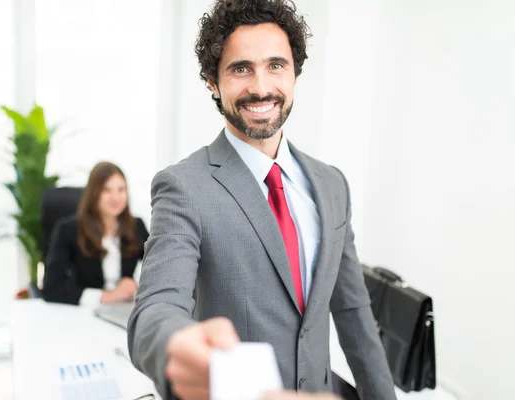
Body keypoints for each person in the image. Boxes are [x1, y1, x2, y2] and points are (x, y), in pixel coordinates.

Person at [128, 1, 397, 399]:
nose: (261, 86)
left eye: (276, 65)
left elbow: (354, 315)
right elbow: (156, 306)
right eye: (241, 68)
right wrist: (175, 344)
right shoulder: (183, 187)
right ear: (212, 82)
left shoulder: (332, 184)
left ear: (294, 73)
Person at [42, 162, 149, 306]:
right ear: (93, 193)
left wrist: (139, 286)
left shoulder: (136, 226)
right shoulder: (68, 229)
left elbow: (160, 264)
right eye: (107, 190)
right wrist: (106, 296)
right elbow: (52, 289)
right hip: (86, 311)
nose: (115, 197)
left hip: (125, 308)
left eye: (121, 189)